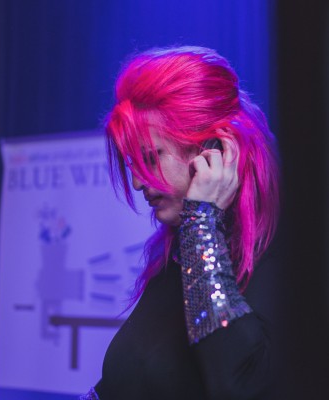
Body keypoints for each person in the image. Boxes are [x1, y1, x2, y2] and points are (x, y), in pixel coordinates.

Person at [81, 46, 280, 400]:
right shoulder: (177, 253)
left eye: (150, 158)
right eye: (133, 165)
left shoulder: (280, 257)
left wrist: (202, 220)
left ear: (214, 150)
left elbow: (237, 383)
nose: (138, 182)